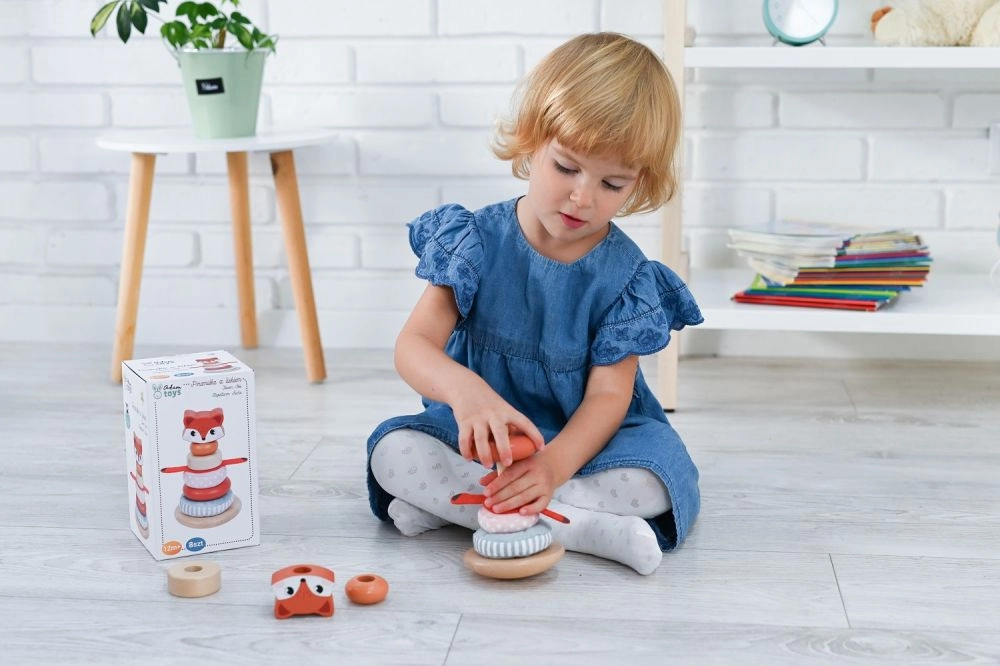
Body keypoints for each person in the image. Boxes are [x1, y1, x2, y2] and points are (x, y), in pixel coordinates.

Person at [366, 32, 703, 575]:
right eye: (566, 168)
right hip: (485, 440)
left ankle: (467, 509)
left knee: (657, 481)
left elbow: (608, 397)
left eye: (612, 183)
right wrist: (467, 394)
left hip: (586, 444)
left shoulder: (627, 279)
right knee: (394, 453)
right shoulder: (475, 242)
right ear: (531, 142)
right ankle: (583, 527)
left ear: (638, 182)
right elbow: (414, 345)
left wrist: (553, 465)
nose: (582, 197)